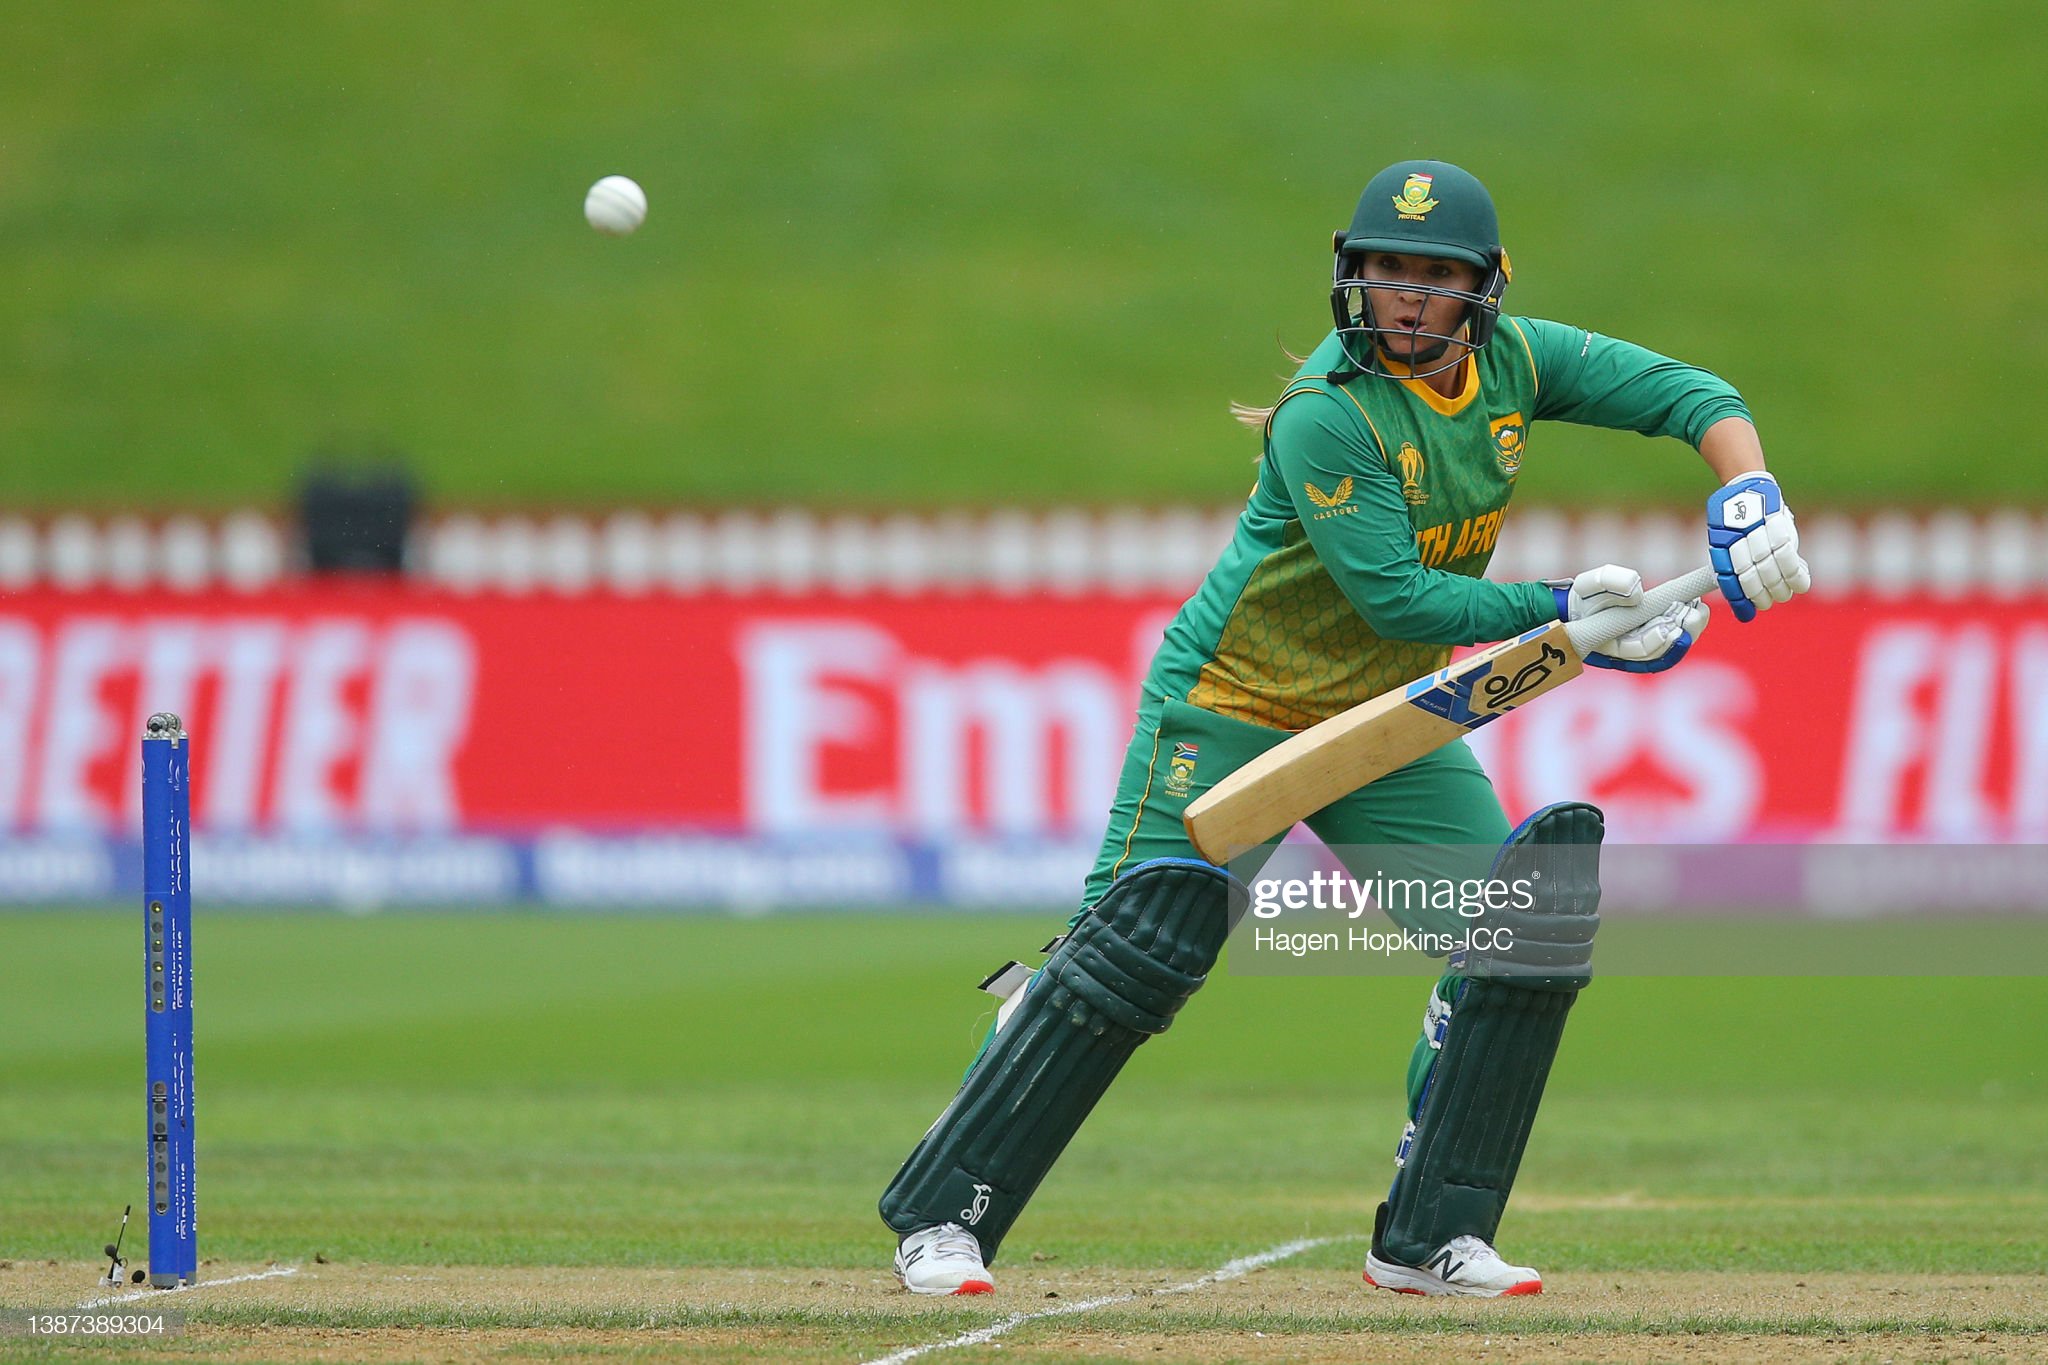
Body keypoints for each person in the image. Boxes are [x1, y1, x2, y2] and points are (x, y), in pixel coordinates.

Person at [878, 159, 1812, 1298]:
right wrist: (1567, 614)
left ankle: (1426, 1238)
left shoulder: (1514, 363)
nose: (1404, 299)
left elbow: (1688, 393)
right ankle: (942, 1218)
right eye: (1383, 273)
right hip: (1230, 709)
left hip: (1380, 723)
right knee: (1119, 967)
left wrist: (1745, 488)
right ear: (1351, 278)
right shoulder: (1327, 416)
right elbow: (1400, 602)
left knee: (1508, 938)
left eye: (1432, 276)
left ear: (1486, 286)